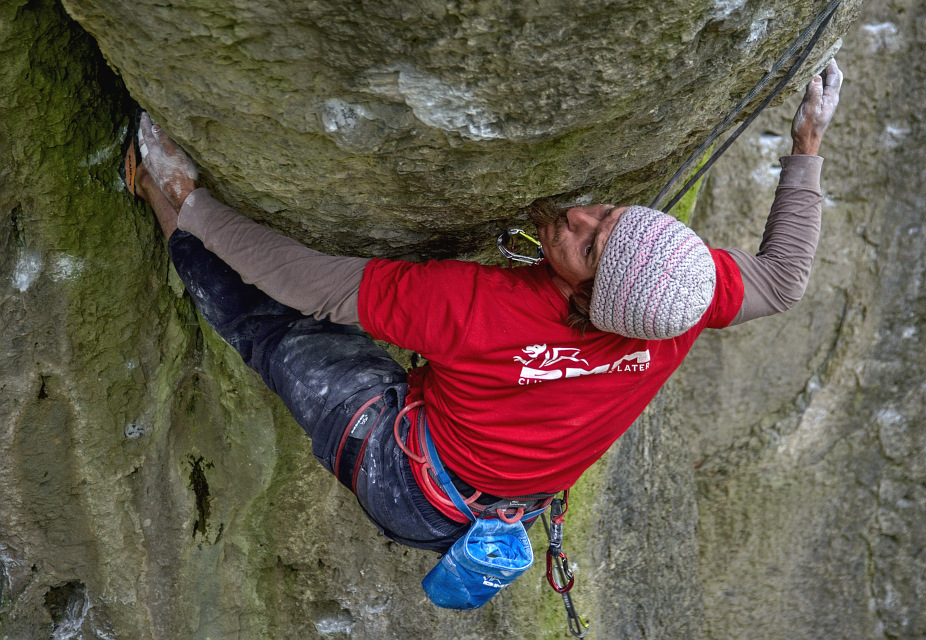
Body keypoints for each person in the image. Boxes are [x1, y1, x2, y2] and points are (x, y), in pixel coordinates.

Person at [131, 60, 842, 553]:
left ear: (593, 302)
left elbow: (309, 283)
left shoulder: (482, 308)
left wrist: (194, 203)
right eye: (610, 216)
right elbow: (782, 279)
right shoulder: (682, 296)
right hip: (503, 512)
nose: (577, 221)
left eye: (587, 250)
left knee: (276, 331)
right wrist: (807, 142)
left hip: (408, 481)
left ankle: (160, 203)